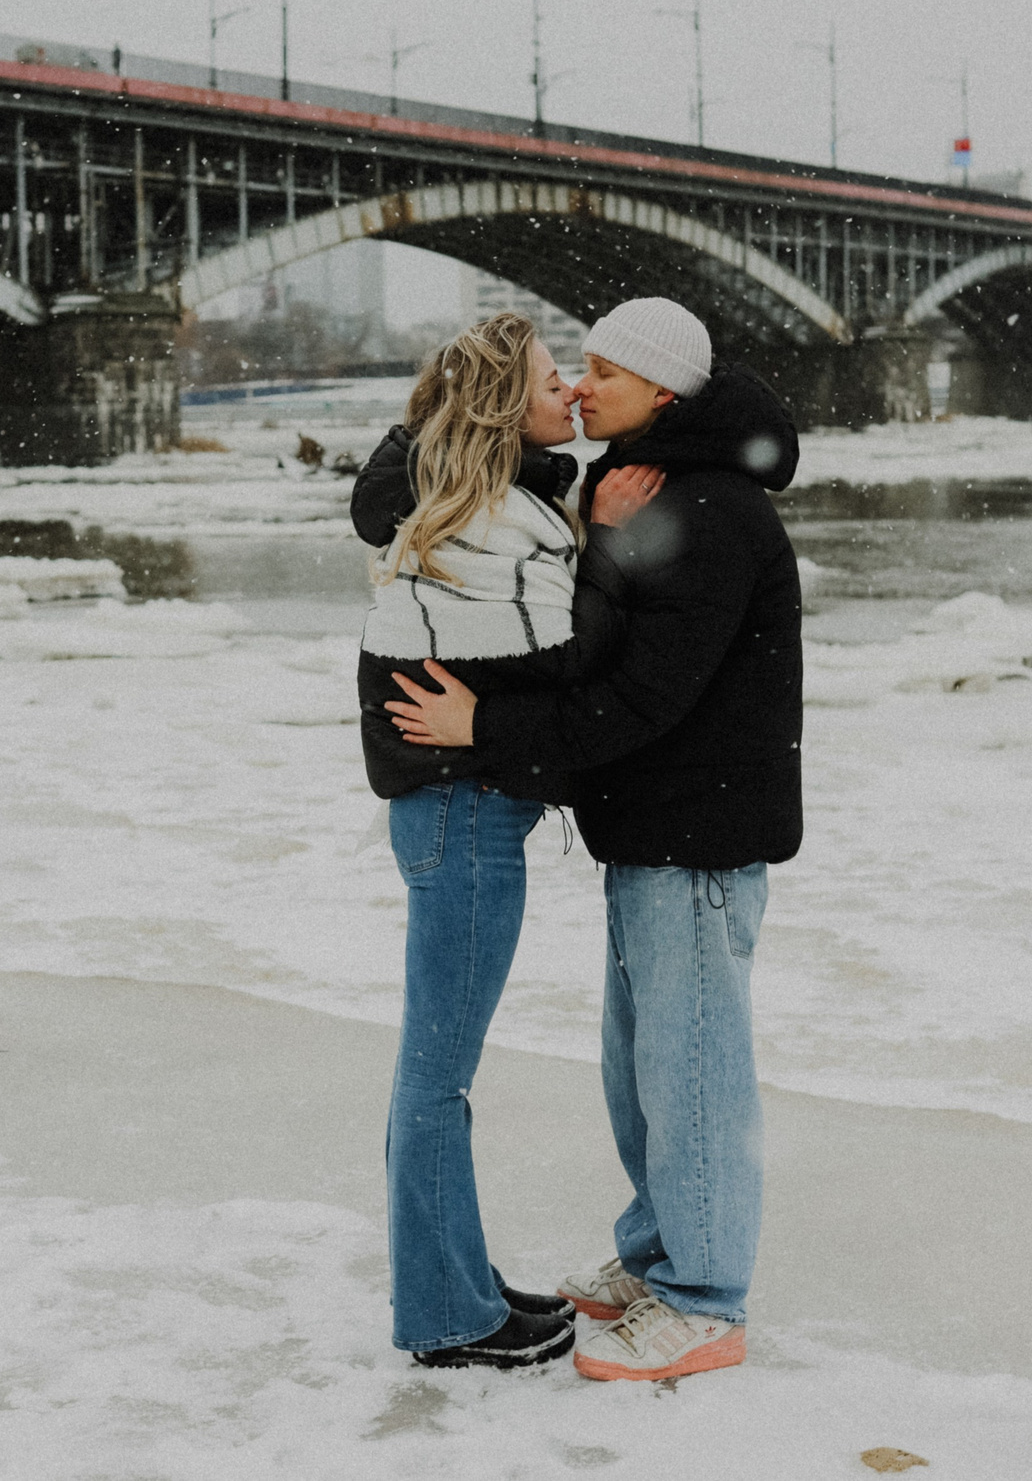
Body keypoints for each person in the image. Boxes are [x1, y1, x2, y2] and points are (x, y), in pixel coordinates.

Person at [385, 295, 802, 1384]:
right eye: (569, 372)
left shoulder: (708, 507)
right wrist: (599, 536)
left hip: (696, 835)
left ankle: (705, 1299)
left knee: (694, 1066)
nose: (579, 385)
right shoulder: (642, 490)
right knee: (642, 1065)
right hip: (652, 827)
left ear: (663, 390)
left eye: (604, 371)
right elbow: (587, 622)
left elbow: (641, 695)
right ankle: (658, 1254)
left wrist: (487, 726)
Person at [352, 311, 663, 1370]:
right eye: (547, 382)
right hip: (462, 810)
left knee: (433, 1072)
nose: (570, 392)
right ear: (499, 407)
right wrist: (611, 546)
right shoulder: (487, 527)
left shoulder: (488, 509)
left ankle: (456, 1281)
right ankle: (447, 1318)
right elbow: (566, 656)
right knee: (435, 1077)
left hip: (455, 809)